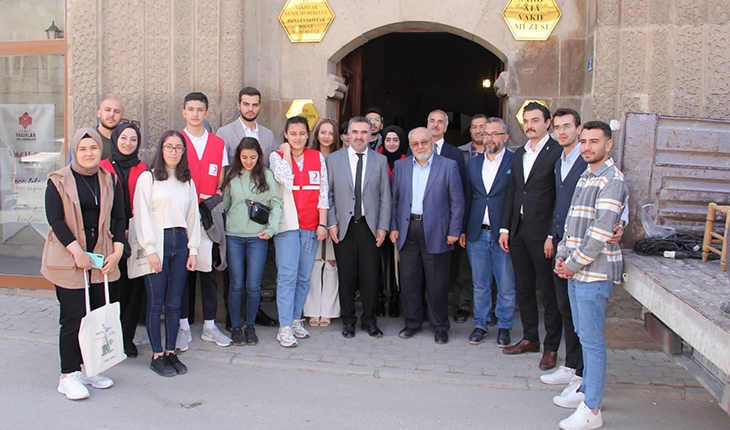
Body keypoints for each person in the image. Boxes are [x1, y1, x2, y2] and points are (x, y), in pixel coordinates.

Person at [544, 109, 629, 410]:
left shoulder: (612, 180)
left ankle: (592, 406)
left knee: (592, 341)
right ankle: (584, 389)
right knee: (583, 334)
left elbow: (599, 233)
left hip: (595, 273)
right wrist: (563, 255)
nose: (588, 147)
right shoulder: (586, 175)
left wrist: (571, 263)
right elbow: (572, 224)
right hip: (577, 270)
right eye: (584, 142)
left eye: (594, 141)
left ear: (608, 145)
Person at [42, 128, 125, 400]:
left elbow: (119, 217)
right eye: (82, 149)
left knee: (97, 316)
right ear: (74, 151)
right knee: (73, 317)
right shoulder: (58, 181)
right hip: (70, 258)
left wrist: (117, 250)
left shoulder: (109, 179)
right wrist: (76, 252)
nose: (89, 153)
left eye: (93, 148)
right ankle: (68, 375)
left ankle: (90, 367)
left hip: (100, 259)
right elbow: (55, 221)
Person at [498, 102, 562, 372]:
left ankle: (551, 347)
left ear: (547, 123)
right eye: (526, 121)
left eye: (535, 120)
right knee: (523, 288)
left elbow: (560, 196)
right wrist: (505, 228)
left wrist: (552, 234)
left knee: (548, 292)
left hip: (543, 233)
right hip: (519, 230)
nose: (530, 125)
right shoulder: (520, 153)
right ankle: (530, 338)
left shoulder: (557, 152)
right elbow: (513, 191)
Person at [134, 130, 201, 377]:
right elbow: (141, 215)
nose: (173, 151)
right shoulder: (149, 178)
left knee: (175, 302)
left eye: (178, 147)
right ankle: (156, 355)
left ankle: (171, 351)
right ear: (161, 149)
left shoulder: (186, 181)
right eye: (169, 146)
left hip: (180, 241)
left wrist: (193, 250)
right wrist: (149, 249)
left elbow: (193, 217)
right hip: (158, 241)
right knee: (155, 303)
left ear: (183, 152)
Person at [391, 127, 464, 345]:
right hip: (407, 229)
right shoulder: (401, 166)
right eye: (415, 143)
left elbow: (457, 202)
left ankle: (440, 326)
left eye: (424, 142)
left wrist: (454, 231)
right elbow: (394, 200)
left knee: (437, 283)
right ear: (410, 146)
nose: (420, 147)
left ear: (432, 142)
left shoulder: (448, 166)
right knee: (409, 281)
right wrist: (393, 226)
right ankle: (412, 322)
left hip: (437, 231)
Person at [216, 86, 278, 329]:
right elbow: (223, 168)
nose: (250, 109)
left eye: (254, 104)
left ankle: (253, 317)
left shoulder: (268, 135)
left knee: (254, 281)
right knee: (234, 280)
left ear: (259, 106)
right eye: (246, 104)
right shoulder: (224, 132)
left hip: (258, 218)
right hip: (235, 212)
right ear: (239, 105)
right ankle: (233, 320)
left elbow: (271, 169)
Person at [177, 92, 232, 350]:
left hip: (208, 216)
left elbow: (220, 177)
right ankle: (183, 326)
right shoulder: (176, 141)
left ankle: (209, 326)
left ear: (207, 113)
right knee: (183, 272)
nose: (195, 114)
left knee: (208, 272)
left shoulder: (218, 143)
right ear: (184, 112)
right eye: (191, 109)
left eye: (200, 109)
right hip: (182, 215)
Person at [327, 117, 391, 339]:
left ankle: (369, 321)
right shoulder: (334, 160)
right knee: (346, 276)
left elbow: (385, 196)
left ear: (371, 134)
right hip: (343, 227)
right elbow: (328, 194)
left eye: (364, 132)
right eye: (355, 132)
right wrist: (331, 222)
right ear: (348, 134)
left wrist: (383, 226)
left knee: (370, 276)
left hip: (369, 227)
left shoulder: (380, 160)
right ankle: (348, 321)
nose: (359, 136)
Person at [270, 116, 329, 347]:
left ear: (308, 135)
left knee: (304, 276)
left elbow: (323, 191)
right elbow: (285, 178)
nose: (298, 138)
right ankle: (284, 327)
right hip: (288, 225)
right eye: (293, 134)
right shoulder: (276, 157)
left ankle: (295, 320)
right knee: (287, 276)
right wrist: (286, 152)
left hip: (311, 225)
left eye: (302, 133)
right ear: (285, 135)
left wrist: (322, 223)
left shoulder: (317, 157)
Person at [460, 117, 515, 348]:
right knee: (480, 283)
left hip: (503, 234)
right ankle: (481, 324)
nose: (489, 138)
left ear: (505, 137)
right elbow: (467, 197)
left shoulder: (515, 161)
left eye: (494, 133)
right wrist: (463, 229)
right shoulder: (473, 164)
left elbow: (515, 199)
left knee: (505, 284)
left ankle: (504, 326)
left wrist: (508, 228)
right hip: (477, 232)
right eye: (486, 134)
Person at [221, 137, 282, 345]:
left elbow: (276, 202)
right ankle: (235, 326)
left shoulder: (267, 175)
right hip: (233, 236)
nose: (248, 161)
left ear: (259, 156)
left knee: (253, 285)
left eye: (253, 157)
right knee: (236, 284)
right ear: (239, 156)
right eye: (244, 157)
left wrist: (271, 229)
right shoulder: (232, 175)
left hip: (257, 237)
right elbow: (226, 205)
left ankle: (250, 325)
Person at [99, 122, 147, 358]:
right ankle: (108, 338)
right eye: (124, 138)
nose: (128, 143)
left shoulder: (144, 169)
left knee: (134, 288)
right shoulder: (102, 167)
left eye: (133, 139)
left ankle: (127, 338)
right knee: (112, 289)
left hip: (136, 235)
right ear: (115, 140)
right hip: (109, 236)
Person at [304, 118, 342, 327]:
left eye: (330, 133)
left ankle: (329, 310)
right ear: (317, 134)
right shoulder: (309, 156)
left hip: (335, 217)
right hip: (312, 217)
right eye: (323, 132)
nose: (326, 136)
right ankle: (312, 310)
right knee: (314, 263)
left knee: (331, 264)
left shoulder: (340, 158)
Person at [454, 114, 488, 325]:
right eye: (474, 127)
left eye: (482, 126)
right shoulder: (459, 154)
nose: (478, 130)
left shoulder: (504, 155)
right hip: (467, 216)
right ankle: (463, 305)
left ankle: (488, 309)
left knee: (492, 269)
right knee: (464, 267)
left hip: (491, 219)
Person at [377, 125, 408, 317]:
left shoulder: (408, 159)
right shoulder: (376, 158)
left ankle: (396, 297)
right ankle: (380, 296)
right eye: (388, 139)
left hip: (399, 217)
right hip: (379, 217)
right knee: (379, 260)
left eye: (395, 140)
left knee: (397, 260)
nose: (391, 143)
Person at [66, 98, 123, 163]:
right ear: (99, 113)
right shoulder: (83, 138)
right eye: (107, 110)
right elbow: (71, 166)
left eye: (117, 111)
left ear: (122, 116)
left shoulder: (126, 142)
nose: (112, 114)